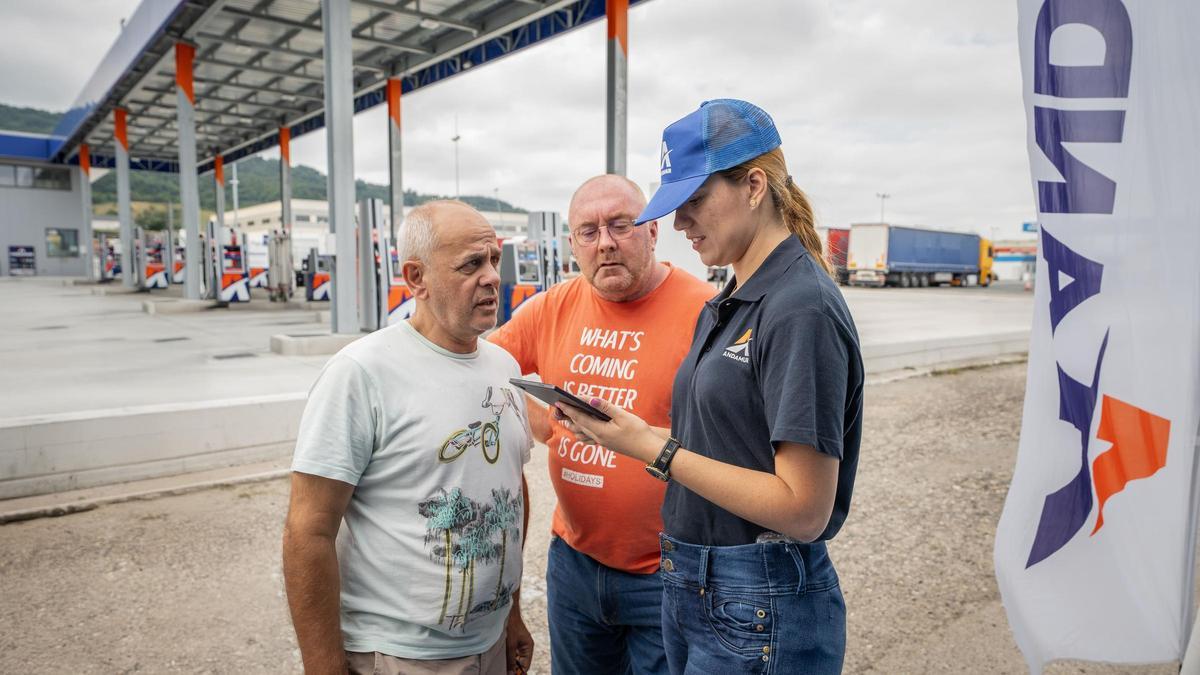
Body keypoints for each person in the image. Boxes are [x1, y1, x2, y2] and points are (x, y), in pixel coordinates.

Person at [556, 99, 864, 674]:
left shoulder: (800, 309)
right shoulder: (729, 299)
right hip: (698, 583)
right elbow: (726, 441)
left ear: (753, 186)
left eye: (695, 201)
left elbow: (802, 510)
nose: (679, 223)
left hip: (758, 599)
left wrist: (654, 449)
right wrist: (633, 432)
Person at [283, 200, 535, 675]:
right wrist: (323, 665)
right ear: (416, 278)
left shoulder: (504, 368)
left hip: (492, 645)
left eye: (495, 260)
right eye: (471, 264)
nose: (491, 277)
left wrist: (512, 616)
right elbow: (308, 529)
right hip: (401, 657)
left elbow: (510, 493)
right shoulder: (361, 373)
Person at [489, 175, 714, 674]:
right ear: (573, 245)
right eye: (588, 232)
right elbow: (483, 371)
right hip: (574, 564)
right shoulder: (553, 307)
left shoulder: (705, 312)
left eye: (621, 225)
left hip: (670, 572)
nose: (606, 243)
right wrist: (543, 423)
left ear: (653, 231)